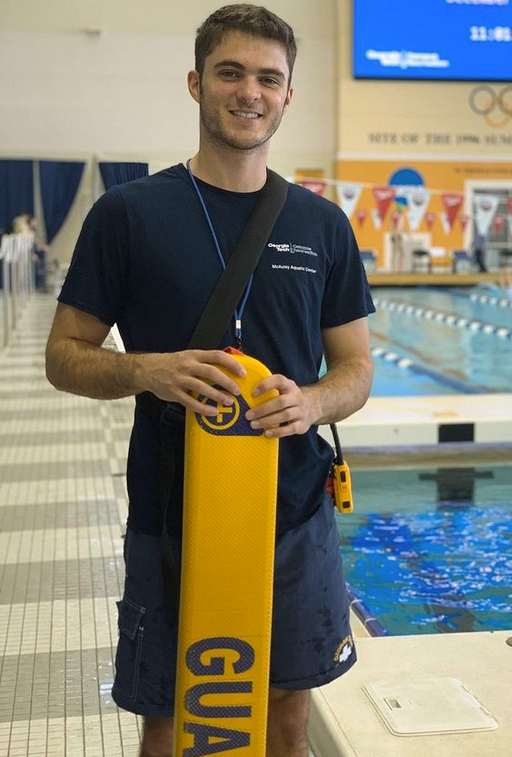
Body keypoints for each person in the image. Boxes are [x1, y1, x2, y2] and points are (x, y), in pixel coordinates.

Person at [45, 5, 374, 757]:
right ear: (196, 82)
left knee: (287, 712)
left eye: (268, 77)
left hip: (293, 513)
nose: (249, 91)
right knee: (171, 717)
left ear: (288, 95)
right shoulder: (127, 215)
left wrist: (310, 400)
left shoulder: (323, 226)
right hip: (172, 511)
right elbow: (64, 355)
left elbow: (355, 370)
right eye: (230, 72)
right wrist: (147, 370)